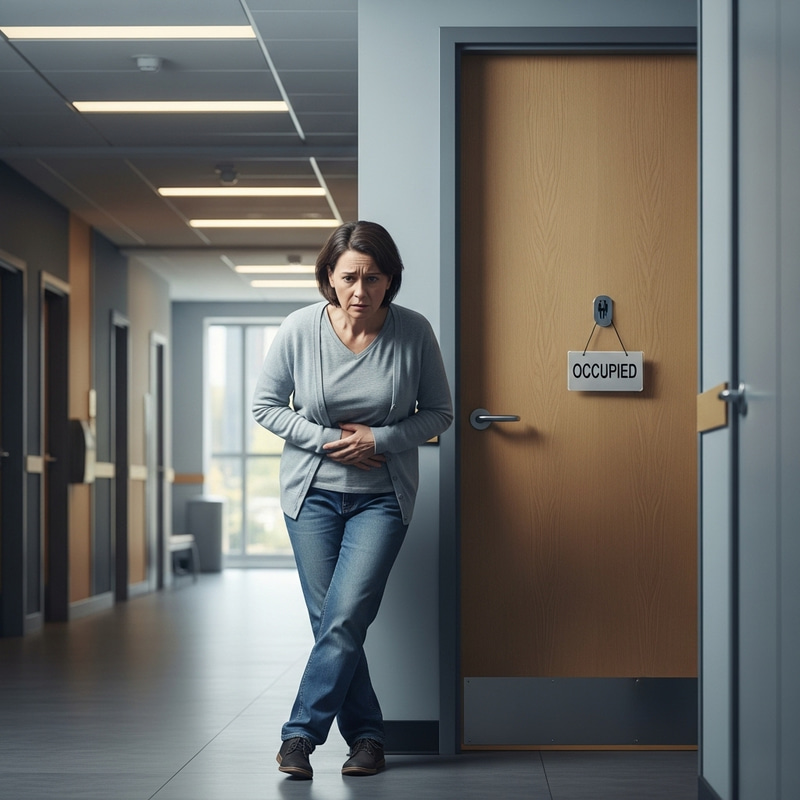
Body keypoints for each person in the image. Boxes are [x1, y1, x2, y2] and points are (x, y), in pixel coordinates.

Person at [252, 220, 453, 780]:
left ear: (391, 280)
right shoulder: (299, 328)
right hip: (311, 496)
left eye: (373, 277)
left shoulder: (414, 331)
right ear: (329, 278)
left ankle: (299, 736)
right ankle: (368, 738)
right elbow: (266, 406)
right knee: (334, 624)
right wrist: (333, 443)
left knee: (342, 617)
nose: (360, 291)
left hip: (381, 500)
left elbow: (440, 413)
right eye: (349, 278)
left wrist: (380, 440)